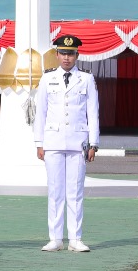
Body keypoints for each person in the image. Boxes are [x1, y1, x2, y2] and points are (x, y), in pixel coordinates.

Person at [34, 34, 99, 253]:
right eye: (63, 53)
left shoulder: (86, 79)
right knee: (55, 191)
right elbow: (40, 113)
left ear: (77, 55)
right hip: (52, 141)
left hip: (78, 141)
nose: (66, 58)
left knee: (75, 191)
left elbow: (93, 113)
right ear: (57, 54)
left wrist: (93, 143)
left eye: (70, 54)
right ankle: (55, 238)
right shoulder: (47, 78)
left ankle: (75, 238)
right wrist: (39, 142)